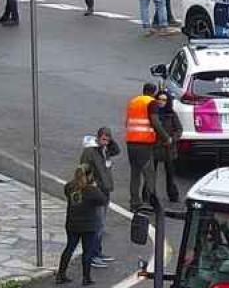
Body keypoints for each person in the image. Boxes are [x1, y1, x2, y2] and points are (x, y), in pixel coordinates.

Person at [57, 163, 107, 285]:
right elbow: (103, 201)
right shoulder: (92, 190)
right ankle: (86, 277)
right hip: (88, 226)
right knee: (87, 251)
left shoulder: (69, 186)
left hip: (72, 224)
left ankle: (61, 274)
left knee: (69, 248)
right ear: (89, 175)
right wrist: (95, 187)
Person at [77, 129, 118, 269]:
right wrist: (90, 187)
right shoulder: (90, 152)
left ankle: (97, 252)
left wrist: (109, 143)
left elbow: (117, 150)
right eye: (104, 138)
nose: (106, 141)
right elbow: (83, 170)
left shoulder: (105, 151)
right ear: (98, 138)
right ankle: (92, 255)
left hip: (105, 191)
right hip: (97, 192)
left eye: (108, 138)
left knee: (100, 225)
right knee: (97, 225)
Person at [124, 82, 161, 210]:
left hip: (131, 142)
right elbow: (155, 122)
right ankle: (151, 203)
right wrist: (166, 137)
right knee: (149, 174)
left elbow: (127, 122)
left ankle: (134, 202)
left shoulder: (133, 102)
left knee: (135, 174)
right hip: (144, 144)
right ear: (154, 92)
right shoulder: (152, 102)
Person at [148, 84, 182, 203]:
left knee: (170, 175)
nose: (161, 102)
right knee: (151, 174)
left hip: (169, 148)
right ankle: (149, 196)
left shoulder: (172, 114)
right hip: (155, 147)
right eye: (159, 99)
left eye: (164, 100)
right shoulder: (153, 114)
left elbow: (179, 129)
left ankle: (173, 195)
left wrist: (173, 139)